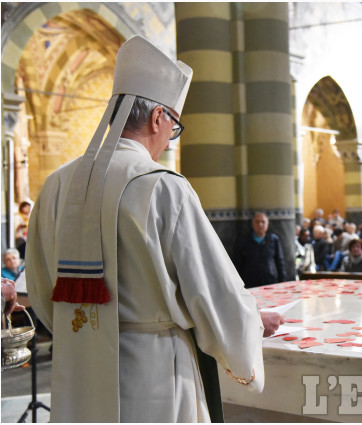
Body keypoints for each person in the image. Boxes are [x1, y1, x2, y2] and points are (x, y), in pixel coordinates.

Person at [25, 36, 281, 422]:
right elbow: (212, 291)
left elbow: (43, 289)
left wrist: (84, 329)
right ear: (159, 117)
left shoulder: (57, 184)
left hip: (78, 368)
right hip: (155, 373)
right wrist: (251, 325)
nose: (168, 139)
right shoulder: (163, 186)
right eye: (173, 127)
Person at [238, 212, 287, 288]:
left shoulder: (273, 239)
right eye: (257, 222)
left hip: (270, 281)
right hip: (250, 282)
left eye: (263, 222)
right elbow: (238, 262)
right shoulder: (244, 240)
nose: (260, 224)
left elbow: (279, 261)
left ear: (267, 224)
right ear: (253, 224)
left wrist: (282, 280)